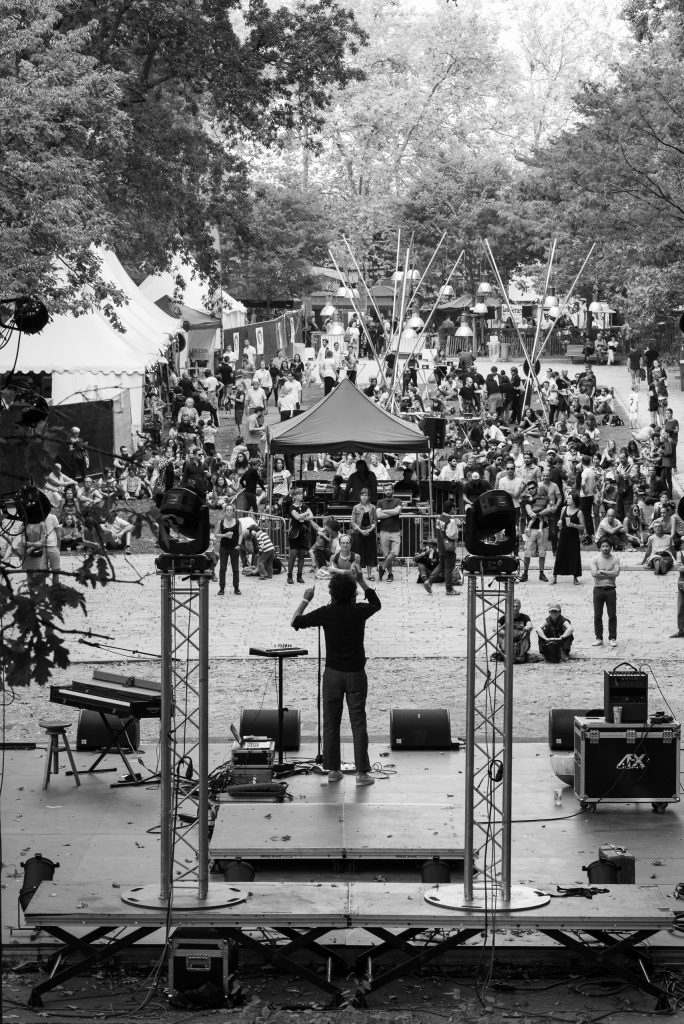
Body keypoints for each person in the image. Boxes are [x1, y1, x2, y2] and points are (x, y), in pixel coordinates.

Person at [291, 568, 381, 786]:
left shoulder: (326, 612)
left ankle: (333, 770)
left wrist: (306, 599)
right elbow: (376, 604)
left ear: (332, 592)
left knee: (331, 723)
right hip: (356, 673)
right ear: (352, 593)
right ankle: (362, 774)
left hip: (332, 674)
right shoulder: (359, 610)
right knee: (358, 722)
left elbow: (296, 622)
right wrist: (362, 581)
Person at [424, 499, 461, 596]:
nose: (455, 510)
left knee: (441, 565)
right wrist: (457, 527)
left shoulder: (439, 518)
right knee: (449, 569)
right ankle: (449, 589)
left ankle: (429, 581)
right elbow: (452, 535)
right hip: (448, 547)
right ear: (451, 509)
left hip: (440, 546)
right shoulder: (451, 520)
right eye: (454, 508)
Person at [590, 538, 620, 647]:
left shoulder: (615, 559)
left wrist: (602, 571)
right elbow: (594, 574)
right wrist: (609, 573)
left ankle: (612, 638)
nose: (605, 548)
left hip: (610, 589)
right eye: (603, 546)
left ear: (611, 547)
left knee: (612, 615)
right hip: (598, 589)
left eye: (607, 546)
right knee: (597, 615)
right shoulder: (595, 559)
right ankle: (599, 638)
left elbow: (616, 573)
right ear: (600, 547)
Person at [376, 482, 403, 582]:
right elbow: (378, 515)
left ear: (392, 490)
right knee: (387, 555)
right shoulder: (380, 502)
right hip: (383, 531)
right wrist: (392, 512)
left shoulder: (398, 501)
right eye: (386, 490)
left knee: (395, 552)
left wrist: (384, 511)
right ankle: (390, 574)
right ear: (384, 491)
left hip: (395, 531)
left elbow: (397, 511)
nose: (387, 491)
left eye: (389, 489)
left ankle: (382, 567)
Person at [287, 488, 315, 584]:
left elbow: (311, 516)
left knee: (302, 555)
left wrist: (303, 517)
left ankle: (299, 576)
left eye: (302, 494)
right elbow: (297, 517)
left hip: (303, 533)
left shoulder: (304, 506)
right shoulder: (292, 507)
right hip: (294, 534)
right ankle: (289, 576)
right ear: (294, 496)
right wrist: (306, 514)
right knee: (293, 555)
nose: (301, 495)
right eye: (299, 494)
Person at [350, 488, 378, 581]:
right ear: (360, 496)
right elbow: (353, 522)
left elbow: (375, 521)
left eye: (366, 495)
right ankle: (359, 573)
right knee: (358, 554)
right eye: (362, 495)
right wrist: (361, 530)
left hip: (370, 532)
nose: (364, 497)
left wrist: (370, 529)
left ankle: (369, 575)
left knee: (370, 553)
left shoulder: (373, 507)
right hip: (358, 533)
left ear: (369, 497)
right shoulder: (356, 507)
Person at [495, 598, 533, 663]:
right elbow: (495, 628)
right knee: (499, 632)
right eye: (513, 606)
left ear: (520, 607)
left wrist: (524, 630)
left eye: (516, 606)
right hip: (508, 639)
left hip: (520, 638)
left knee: (528, 631)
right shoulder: (505, 617)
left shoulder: (525, 617)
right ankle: (506, 652)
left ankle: (520, 654)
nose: (515, 608)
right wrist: (505, 633)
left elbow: (530, 625)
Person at [217, 506, 241, 596]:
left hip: (234, 547)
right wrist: (224, 535)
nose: (229, 511)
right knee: (222, 568)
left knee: (235, 568)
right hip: (224, 547)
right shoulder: (221, 522)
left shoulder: (238, 522)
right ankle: (221, 588)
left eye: (231, 510)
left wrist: (239, 544)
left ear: (233, 512)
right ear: (225, 512)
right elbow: (216, 534)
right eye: (227, 510)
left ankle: (236, 587)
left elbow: (241, 534)